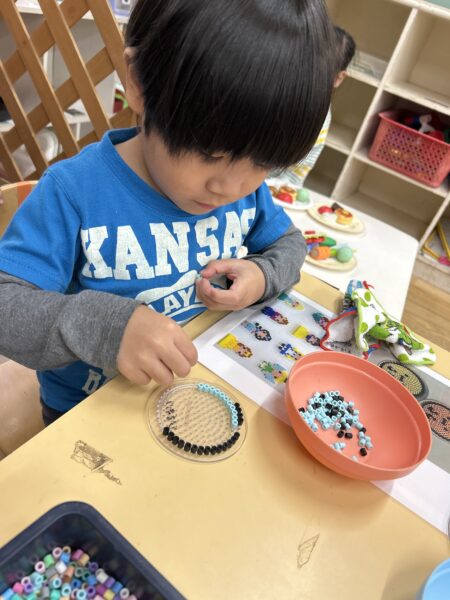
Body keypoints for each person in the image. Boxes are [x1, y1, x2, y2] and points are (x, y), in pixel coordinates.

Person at [0, 0, 336, 424]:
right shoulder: (74, 193)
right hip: (85, 413)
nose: (229, 188)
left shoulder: (245, 191)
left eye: (263, 163)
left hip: (189, 395)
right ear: (139, 83)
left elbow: (289, 244)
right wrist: (107, 328)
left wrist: (262, 274)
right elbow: (6, 306)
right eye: (209, 152)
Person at [268, 26, 356, 193]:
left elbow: (294, 177)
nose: (306, 76)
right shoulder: (266, 89)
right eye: (301, 63)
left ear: (338, 78)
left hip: (266, 189)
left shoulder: (320, 119)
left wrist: (274, 190)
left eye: (320, 72)